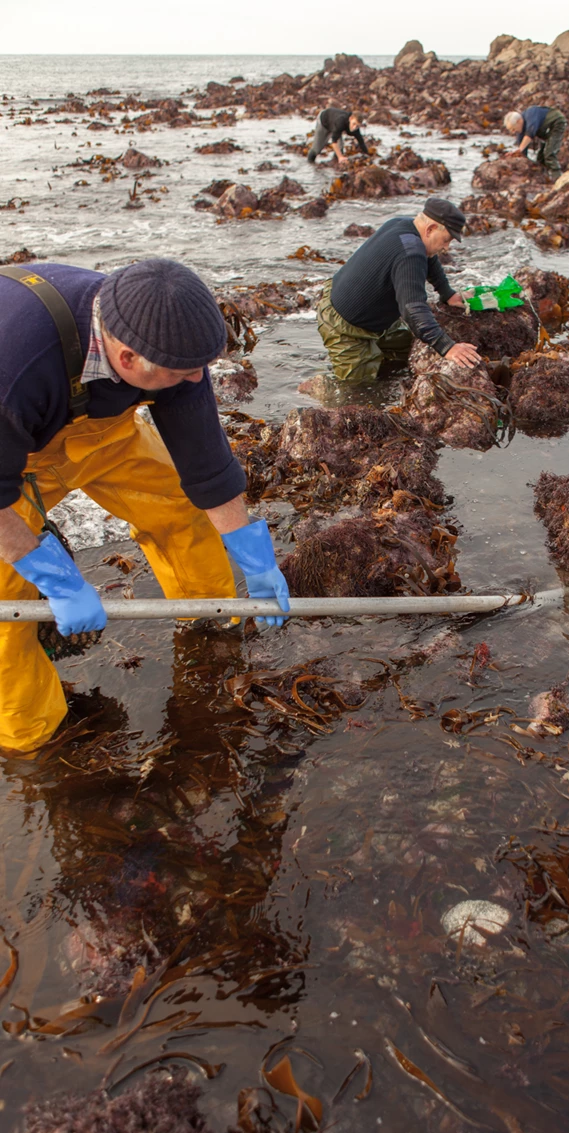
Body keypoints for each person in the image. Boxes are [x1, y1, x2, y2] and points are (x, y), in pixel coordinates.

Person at [0, 258, 290, 756]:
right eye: (183, 372)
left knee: (179, 505)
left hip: (95, 431)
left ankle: (207, 620)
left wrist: (251, 548)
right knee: (8, 603)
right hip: (12, 451)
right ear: (128, 359)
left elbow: (204, 460)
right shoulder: (16, 368)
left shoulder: (165, 345)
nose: (196, 379)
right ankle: (32, 741)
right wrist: (56, 579)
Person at [316, 197, 482, 383]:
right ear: (431, 229)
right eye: (446, 240)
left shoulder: (402, 224)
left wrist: (448, 294)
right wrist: (447, 347)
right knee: (358, 392)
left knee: (406, 351)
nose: (446, 247)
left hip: (369, 313)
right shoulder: (410, 254)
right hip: (344, 326)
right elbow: (413, 309)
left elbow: (430, 258)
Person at [503, 107, 567, 179]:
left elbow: (530, 134)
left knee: (549, 153)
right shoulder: (520, 130)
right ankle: (545, 177)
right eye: (511, 130)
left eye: (513, 129)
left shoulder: (530, 114)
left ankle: (558, 178)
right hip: (546, 130)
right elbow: (522, 151)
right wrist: (515, 155)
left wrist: (520, 149)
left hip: (556, 122)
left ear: (519, 121)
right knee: (540, 158)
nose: (513, 132)